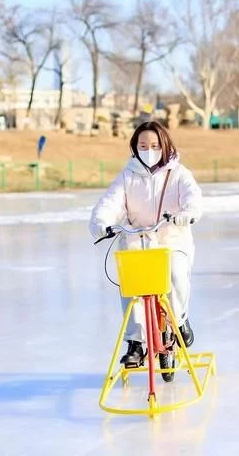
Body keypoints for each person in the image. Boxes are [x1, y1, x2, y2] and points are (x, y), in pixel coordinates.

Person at [90, 121, 203, 368]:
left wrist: (187, 213)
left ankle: (179, 320)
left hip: (171, 240)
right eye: (143, 145)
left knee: (174, 274)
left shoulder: (179, 174)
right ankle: (136, 342)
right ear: (135, 147)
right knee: (130, 289)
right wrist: (101, 222)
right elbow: (110, 203)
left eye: (154, 145)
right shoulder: (127, 176)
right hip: (137, 241)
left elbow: (193, 197)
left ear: (164, 145)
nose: (149, 150)